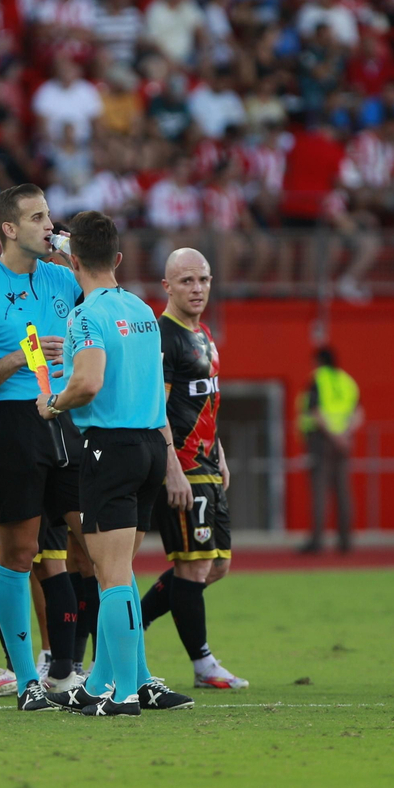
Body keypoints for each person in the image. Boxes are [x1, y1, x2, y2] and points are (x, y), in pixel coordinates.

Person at [38, 211, 195, 717]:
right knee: (120, 572)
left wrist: (55, 402)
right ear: (120, 259)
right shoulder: (145, 310)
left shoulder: (86, 314)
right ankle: (103, 680)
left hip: (109, 448)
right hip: (150, 446)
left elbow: (89, 383)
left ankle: (122, 693)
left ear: (74, 261)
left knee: (110, 579)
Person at [0, 182, 84, 711]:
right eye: (37, 217)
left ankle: (98, 672)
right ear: (8, 228)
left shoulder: (62, 278)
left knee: (95, 544)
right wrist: (19, 358)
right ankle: (29, 680)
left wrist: (81, 259)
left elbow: (109, 303)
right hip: (11, 423)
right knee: (21, 550)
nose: (48, 225)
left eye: (49, 216)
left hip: (67, 418)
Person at [138, 248, 249, 691]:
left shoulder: (203, 335)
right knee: (194, 566)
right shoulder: (163, 337)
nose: (197, 288)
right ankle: (203, 664)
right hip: (181, 463)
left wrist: (218, 449)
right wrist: (172, 469)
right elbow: (157, 407)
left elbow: (204, 400)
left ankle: (130, 627)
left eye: (203, 279)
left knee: (215, 566)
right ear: (167, 287)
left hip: (205, 460)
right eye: (187, 281)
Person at [297, 346, 362, 554]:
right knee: (343, 492)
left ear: (318, 361)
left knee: (319, 492)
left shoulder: (318, 379)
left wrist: (334, 437)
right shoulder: (347, 381)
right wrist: (344, 436)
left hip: (322, 441)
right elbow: (359, 411)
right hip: (344, 441)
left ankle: (317, 541)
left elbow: (315, 412)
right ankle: (345, 541)